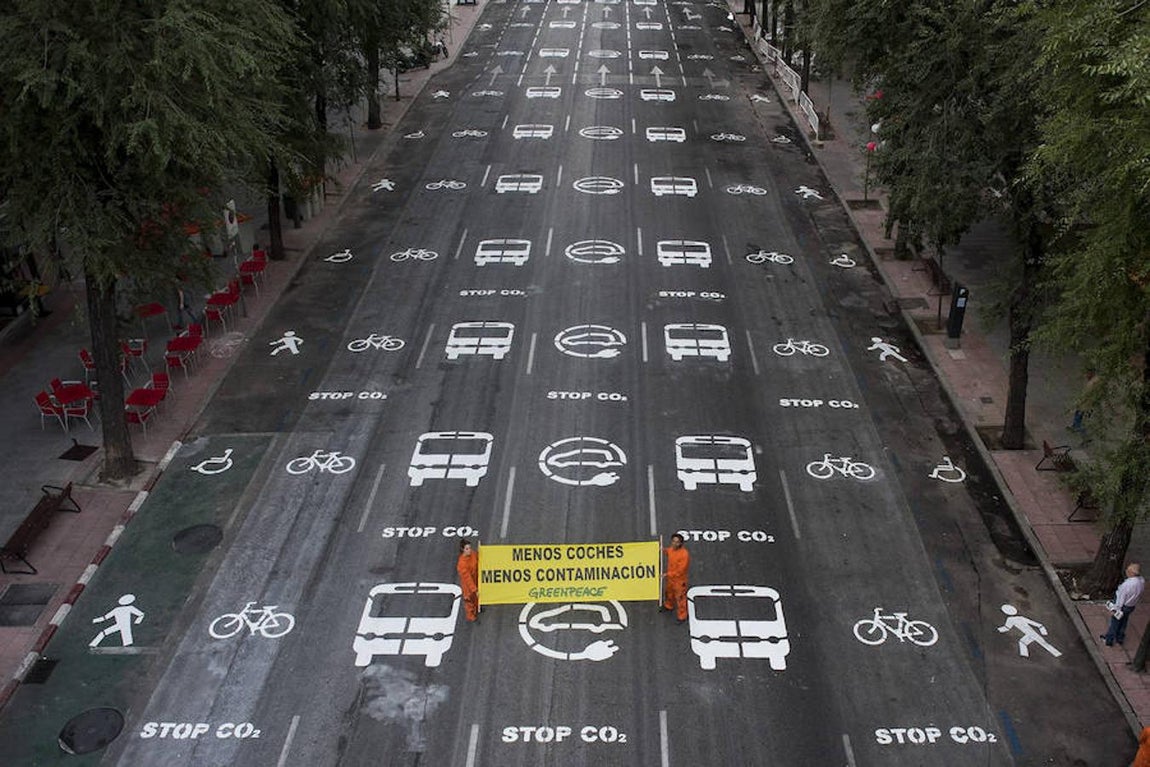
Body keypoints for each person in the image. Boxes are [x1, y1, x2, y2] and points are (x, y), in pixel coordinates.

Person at [1102, 563, 1144, 646]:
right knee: (1124, 621)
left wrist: (1115, 609)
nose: (1126, 571)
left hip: (1123, 606)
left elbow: (1121, 599)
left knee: (1115, 622)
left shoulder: (1127, 585)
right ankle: (1120, 638)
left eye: (1128, 570)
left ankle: (1109, 640)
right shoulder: (1141, 581)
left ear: (1132, 573)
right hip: (1131, 606)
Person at [661, 533, 690, 624]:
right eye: (673, 541)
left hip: (679, 581)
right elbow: (668, 551)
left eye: (677, 542)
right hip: (671, 579)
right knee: (669, 593)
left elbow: (680, 571)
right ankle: (668, 606)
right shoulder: (671, 550)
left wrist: (667, 574)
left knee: (680, 598)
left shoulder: (684, 555)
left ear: (681, 543)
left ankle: (682, 616)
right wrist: (662, 550)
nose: (674, 543)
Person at [457, 539, 480, 622]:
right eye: (467, 549)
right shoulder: (462, 564)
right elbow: (467, 579)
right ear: (463, 550)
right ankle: (471, 616)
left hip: (475, 580)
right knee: (469, 601)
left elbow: (478, 558)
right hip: (468, 586)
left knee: (476, 598)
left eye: (470, 548)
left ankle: (477, 608)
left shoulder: (473, 554)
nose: (469, 550)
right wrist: (474, 589)